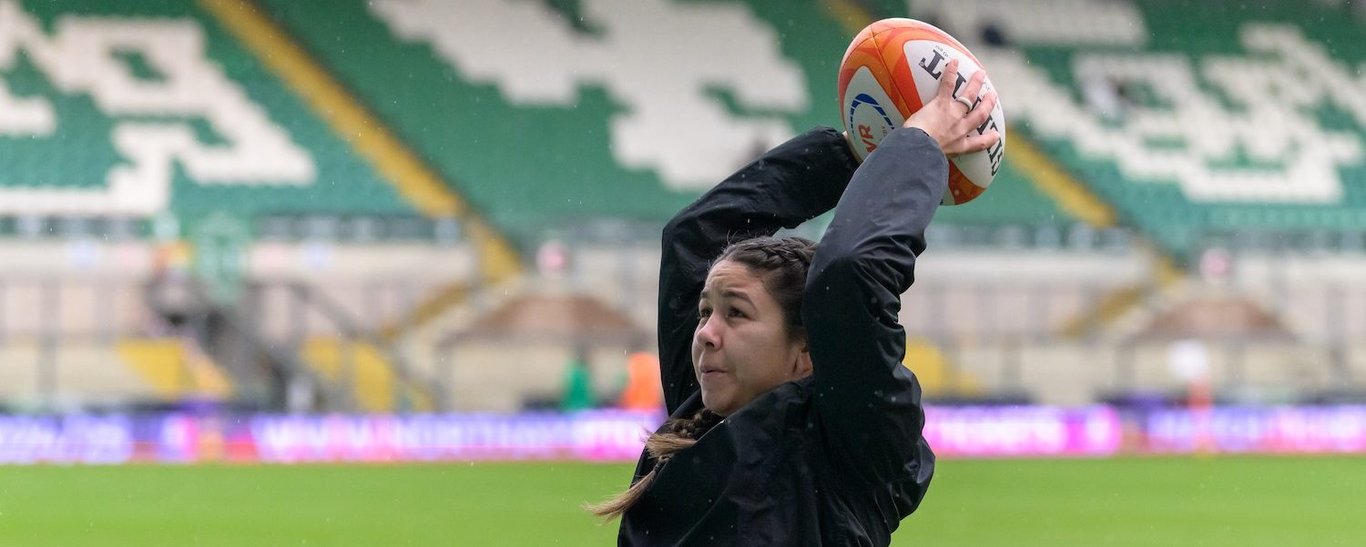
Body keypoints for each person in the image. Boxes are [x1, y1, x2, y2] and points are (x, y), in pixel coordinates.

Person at [587, 59, 1000, 545]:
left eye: (735, 313)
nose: (705, 333)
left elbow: (849, 274)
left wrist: (917, 145)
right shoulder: (701, 412)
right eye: (705, 312)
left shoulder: (852, 445)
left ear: (806, 353)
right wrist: (856, 151)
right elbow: (691, 240)